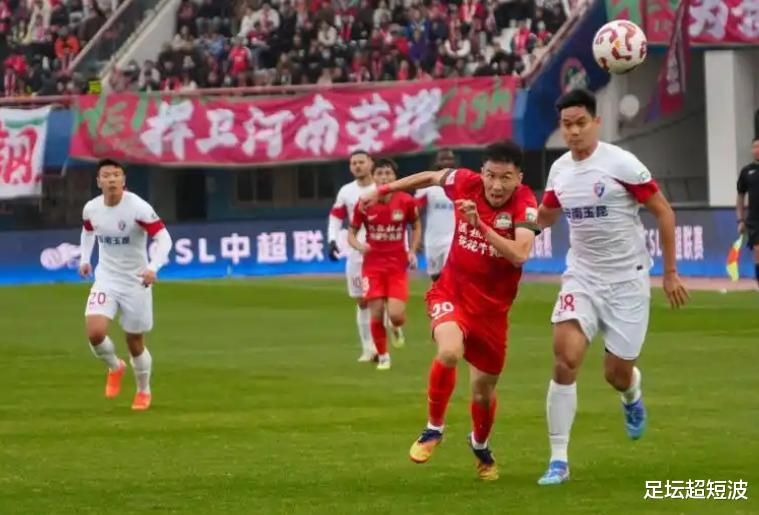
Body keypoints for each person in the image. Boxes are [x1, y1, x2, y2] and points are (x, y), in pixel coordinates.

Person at [535, 88, 689, 486]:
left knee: (616, 374)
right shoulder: (560, 171)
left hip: (627, 281)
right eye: (567, 125)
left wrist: (670, 273)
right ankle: (558, 460)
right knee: (565, 358)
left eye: (580, 124)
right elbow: (547, 215)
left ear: (596, 122)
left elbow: (663, 212)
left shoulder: (622, 164)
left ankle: (631, 393)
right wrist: (516, 223)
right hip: (582, 277)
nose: (573, 132)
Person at [361, 142, 539, 480]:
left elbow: (519, 254)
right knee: (448, 351)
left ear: (519, 178)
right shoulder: (465, 182)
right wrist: (383, 189)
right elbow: (430, 177)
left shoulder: (525, 203)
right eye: (490, 175)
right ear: (481, 172)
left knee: (483, 393)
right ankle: (433, 428)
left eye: (505, 177)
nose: (496, 185)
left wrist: (479, 225)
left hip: (492, 312)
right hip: (452, 293)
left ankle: (480, 445)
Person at [79, 159, 172, 411]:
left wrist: (153, 267)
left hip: (135, 282)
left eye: (116, 175)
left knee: (135, 342)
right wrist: (85, 259)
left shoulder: (138, 208)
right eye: (106, 175)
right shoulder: (92, 208)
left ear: (123, 180)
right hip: (106, 279)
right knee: (95, 333)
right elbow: (88, 231)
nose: (111, 179)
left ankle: (143, 390)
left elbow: (164, 238)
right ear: (98, 181)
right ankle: (115, 366)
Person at [348, 158, 421, 370]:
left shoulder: (406, 201)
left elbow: (416, 225)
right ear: (374, 177)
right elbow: (351, 233)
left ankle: (396, 328)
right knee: (377, 311)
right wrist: (360, 246)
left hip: (397, 265)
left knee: (396, 316)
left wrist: (412, 250)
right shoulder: (364, 202)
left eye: (388, 173)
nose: (384, 177)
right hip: (372, 266)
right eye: (380, 173)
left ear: (395, 177)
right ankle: (383, 356)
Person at [327, 151, 378, 361]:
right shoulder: (346, 191)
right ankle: (367, 349)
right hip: (356, 251)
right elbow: (336, 217)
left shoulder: (381, 188)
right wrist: (332, 240)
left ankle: (380, 345)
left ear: (370, 163)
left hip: (380, 250)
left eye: (361, 162)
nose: (357, 166)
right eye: (353, 163)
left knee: (379, 299)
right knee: (362, 301)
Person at [415, 148, 457, 281]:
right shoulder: (427, 187)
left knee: (450, 275)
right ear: (437, 162)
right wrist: (416, 237)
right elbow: (415, 213)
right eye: (443, 159)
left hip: (453, 238)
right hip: (432, 240)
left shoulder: (460, 184)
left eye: (450, 158)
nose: (447, 162)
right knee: (435, 277)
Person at [737, 137, 759, 288]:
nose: (757, 150)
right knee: (758, 251)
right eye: (755, 147)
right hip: (755, 220)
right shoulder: (746, 171)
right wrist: (740, 220)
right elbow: (740, 196)